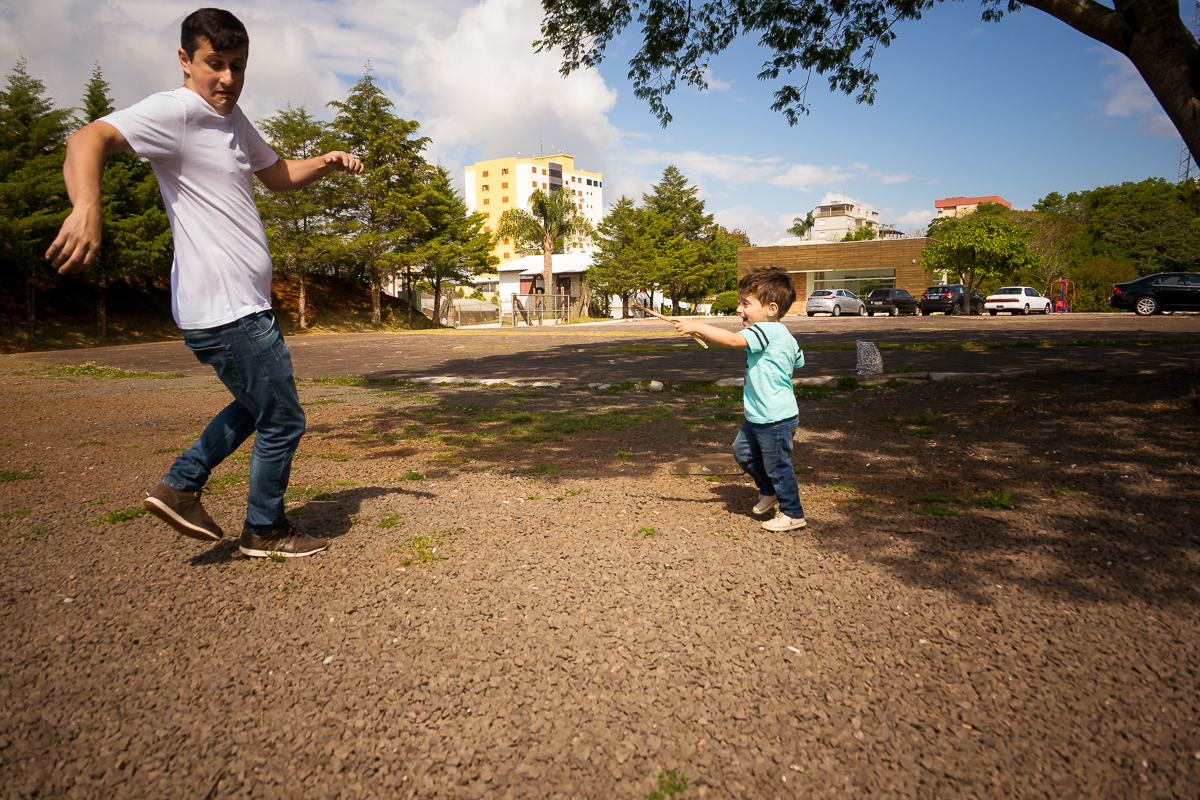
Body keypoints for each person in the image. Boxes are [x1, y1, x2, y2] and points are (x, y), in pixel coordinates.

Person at [46, 8, 363, 558]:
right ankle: (264, 529)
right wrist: (87, 206)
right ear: (186, 61)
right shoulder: (178, 111)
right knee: (284, 417)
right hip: (226, 307)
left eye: (238, 66)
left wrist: (326, 162)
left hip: (239, 304)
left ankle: (180, 485)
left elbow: (277, 174)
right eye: (215, 64)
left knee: (254, 404)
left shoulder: (232, 119)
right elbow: (86, 139)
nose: (228, 79)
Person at [671, 267, 807, 532]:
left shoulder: (765, 330)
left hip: (775, 417)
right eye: (740, 302)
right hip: (760, 414)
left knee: (778, 465)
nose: (738, 309)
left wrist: (697, 326)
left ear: (771, 308)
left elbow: (733, 340)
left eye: (746, 303)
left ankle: (793, 513)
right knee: (742, 453)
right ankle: (768, 492)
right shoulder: (782, 332)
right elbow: (799, 361)